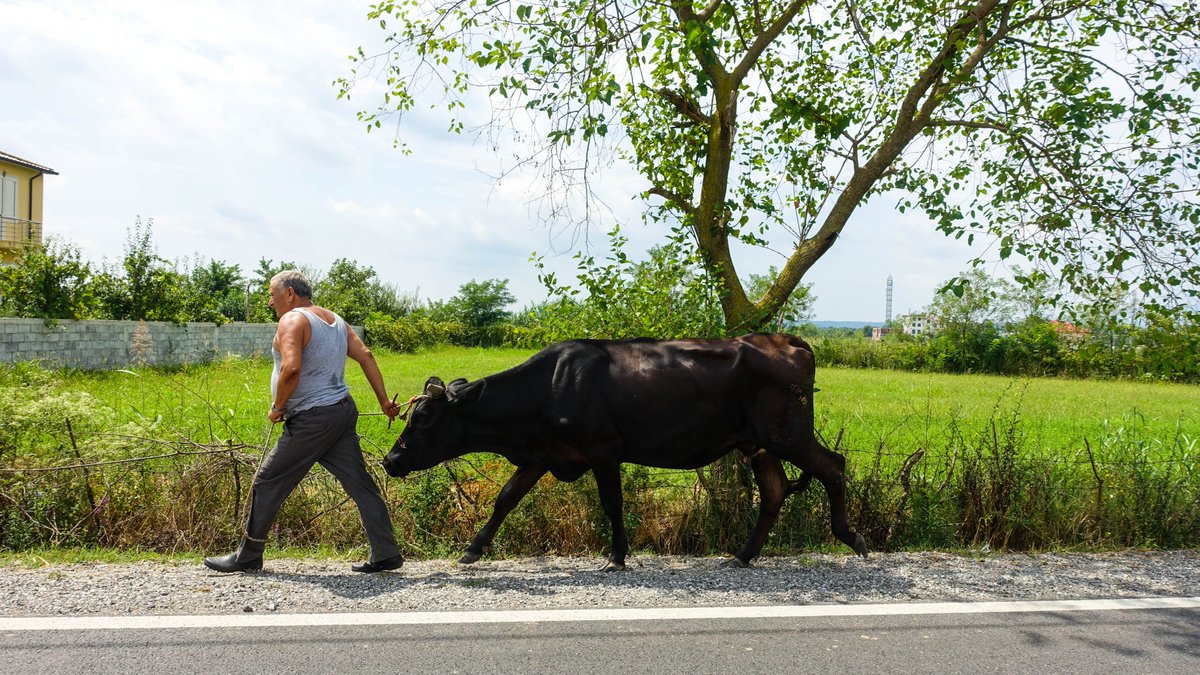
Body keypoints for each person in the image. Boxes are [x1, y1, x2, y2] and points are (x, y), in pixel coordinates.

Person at [204, 270, 403, 574]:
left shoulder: (292, 320)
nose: (270, 301)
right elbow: (366, 355)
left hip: (312, 419)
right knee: (360, 484)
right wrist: (384, 401)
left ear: (290, 294)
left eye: (272, 294)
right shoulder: (335, 321)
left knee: (268, 482)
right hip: (341, 411)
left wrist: (278, 406)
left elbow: (291, 369)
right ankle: (386, 552)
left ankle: (248, 555)